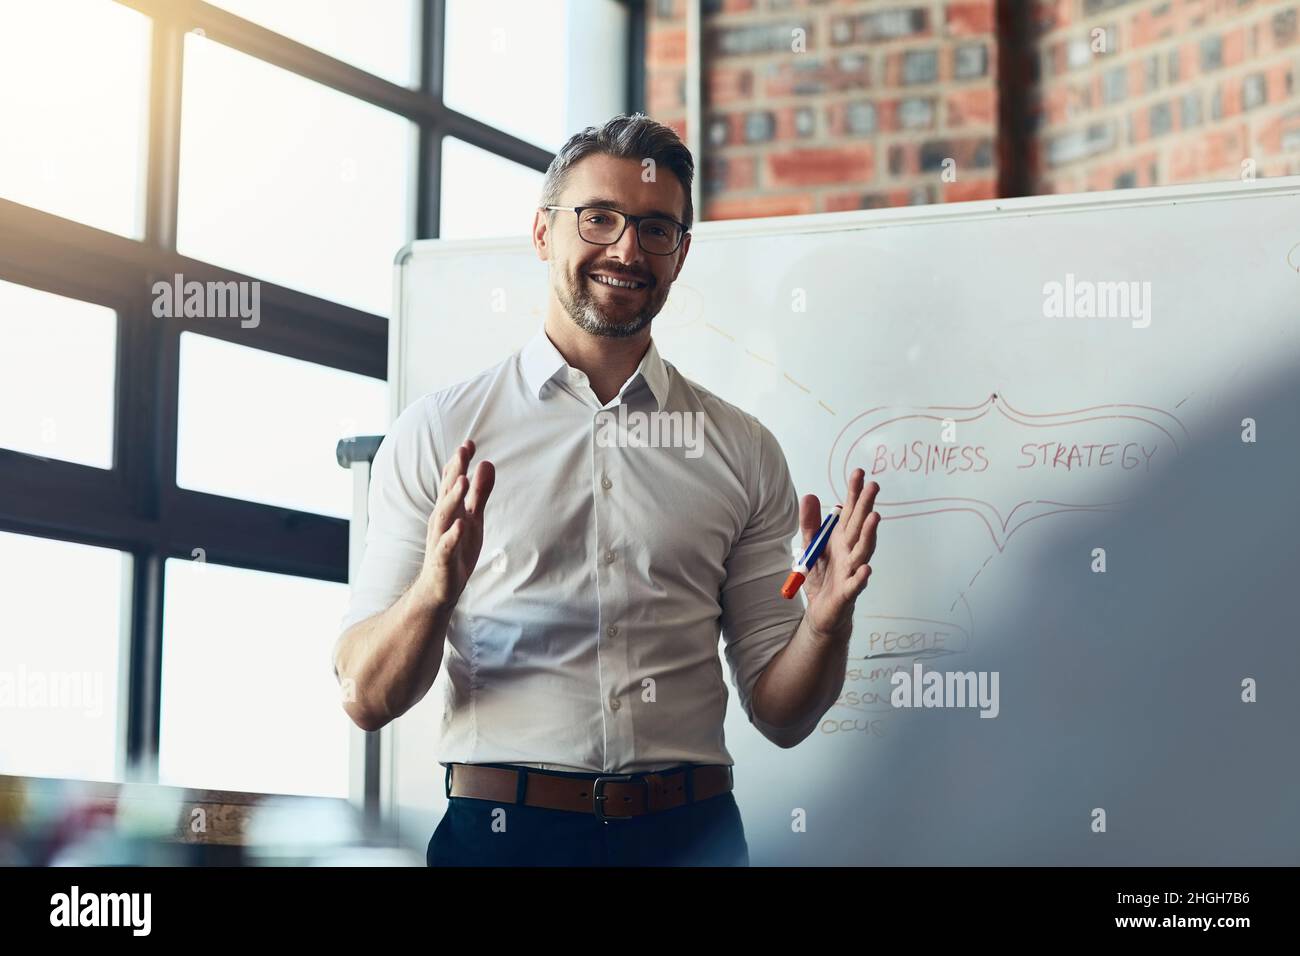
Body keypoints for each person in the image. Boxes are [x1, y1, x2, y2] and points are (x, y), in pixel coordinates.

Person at [332, 113, 881, 866]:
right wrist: (434, 592)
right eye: (599, 218)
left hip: (692, 839)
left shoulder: (743, 449)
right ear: (543, 233)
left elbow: (782, 715)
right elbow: (366, 698)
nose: (627, 248)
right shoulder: (438, 434)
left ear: (680, 255)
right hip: (503, 838)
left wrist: (822, 628)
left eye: (657, 228)